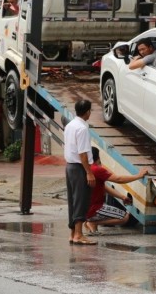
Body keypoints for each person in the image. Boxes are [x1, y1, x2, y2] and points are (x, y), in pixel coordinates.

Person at [85, 147, 148, 235]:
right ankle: (94, 222)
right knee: (124, 218)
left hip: (85, 209)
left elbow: (105, 188)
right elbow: (118, 179)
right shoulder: (96, 169)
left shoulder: (86, 169)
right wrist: (138, 176)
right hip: (95, 208)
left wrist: (122, 197)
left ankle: (92, 223)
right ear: (98, 158)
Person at [64, 99, 97, 246]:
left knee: (72, 200)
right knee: (81, 200)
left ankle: (73, 234)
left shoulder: (70, 125)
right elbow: (83, 154)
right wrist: (89, 173)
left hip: (69, 166)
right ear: (87, 111)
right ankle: (78, 234)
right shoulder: (82, 128)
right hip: (79, 167)